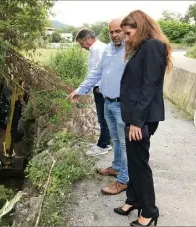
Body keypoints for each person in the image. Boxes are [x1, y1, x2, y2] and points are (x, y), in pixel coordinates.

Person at [114, 10, 172, 226]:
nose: (126, 38)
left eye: (128, 33)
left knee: (140, 164)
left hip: (142, 119)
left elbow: (150, 86)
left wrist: (137, 122)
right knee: (134, 161)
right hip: (136, 116)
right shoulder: (143, 47)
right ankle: (133, 199)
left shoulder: (153, 46)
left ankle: (149, 210)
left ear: (141, 27)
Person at [67, 19, 128, 195]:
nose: (115, 34)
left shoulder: (131, 50)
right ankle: (116, 167)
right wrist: (80, 89)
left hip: (121, 104)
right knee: (115, 139)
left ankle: (124, 179)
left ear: (125, 31)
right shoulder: (108, 49)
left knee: (124, 144)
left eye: (118, 31)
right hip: (108, 101)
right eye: (111, 32)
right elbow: (97, 72)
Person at [75, 28, 111, 156]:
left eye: (81, 43)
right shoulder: (98, 48)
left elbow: (103, 70)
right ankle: (105, 141)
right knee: (104, 116)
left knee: (103, 116)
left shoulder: (98, 49)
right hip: (100, 86)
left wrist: (100, 86)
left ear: (88, 39)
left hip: (101, 88)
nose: (81, 46)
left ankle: (103, 145)